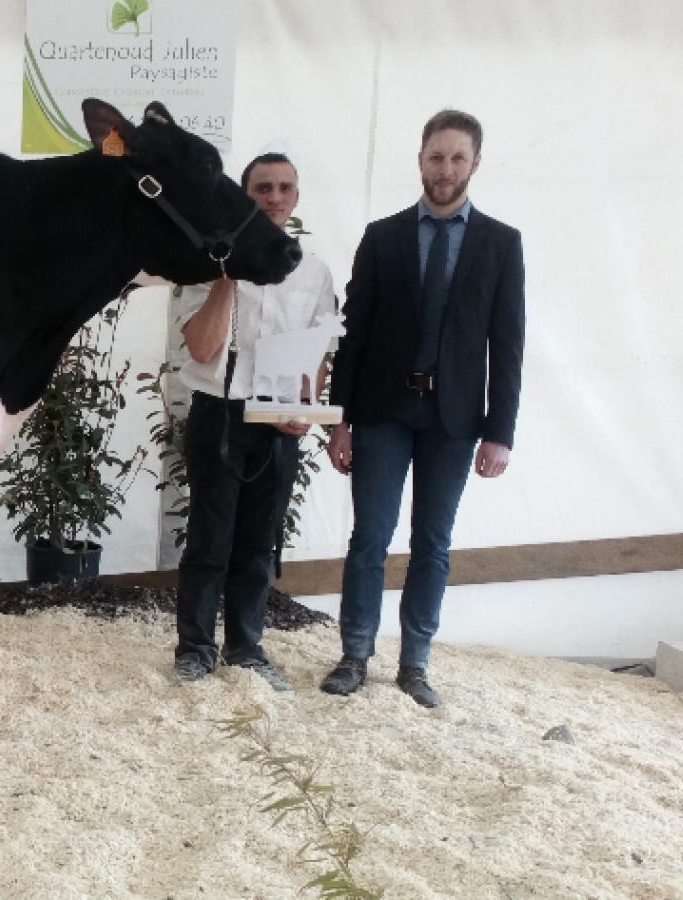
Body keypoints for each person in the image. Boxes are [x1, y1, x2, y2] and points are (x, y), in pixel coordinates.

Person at [321, 109, 525, 708]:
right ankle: (354, 654)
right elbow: (353, 334)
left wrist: (500, 432)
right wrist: (341, 421)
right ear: (420, 161)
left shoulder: (500, 244)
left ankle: (415, 665)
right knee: (370, 539)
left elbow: (507, 346)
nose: (445, 169)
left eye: (458, 157)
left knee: (433, 543)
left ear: (475, 163)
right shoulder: (382, 237)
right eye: (436, 157)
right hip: (384, 410)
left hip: (455, 419)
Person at [173, 151, 336, 692]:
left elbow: (318, 350)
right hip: (219, 413)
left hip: (278, 422)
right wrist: (229, 274)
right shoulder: (208, 261)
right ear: (246, 196)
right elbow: (200, 346)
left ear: (296, 198)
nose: (274, 197)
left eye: (284, 188)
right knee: (209, 538)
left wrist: (306, 411)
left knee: (258, 544)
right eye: (262, 187)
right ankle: (195, 649)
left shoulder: (313, 271)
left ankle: (246, 647)